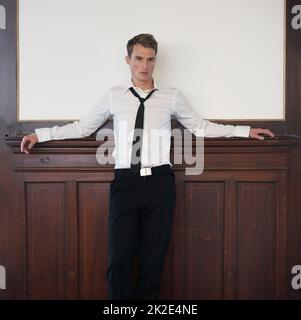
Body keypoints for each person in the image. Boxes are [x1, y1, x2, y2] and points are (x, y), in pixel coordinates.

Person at [20, 33, 275, 300]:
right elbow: (83, 127)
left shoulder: (171, 96)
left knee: (152, 263)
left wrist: (244, 131)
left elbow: (200, 126)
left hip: (160, 183)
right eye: (139, 59)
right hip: (125, 183)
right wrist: (42, 135)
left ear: (156, 61)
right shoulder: (113, 96)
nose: (144, 65)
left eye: (150, 59)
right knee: (119, 260)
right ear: (128, 60)